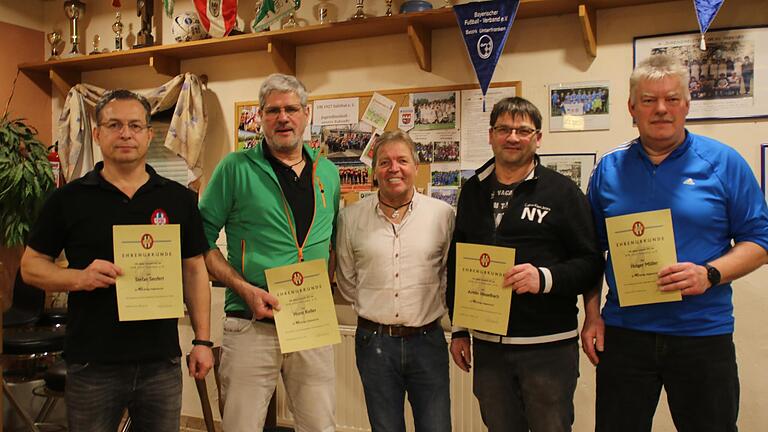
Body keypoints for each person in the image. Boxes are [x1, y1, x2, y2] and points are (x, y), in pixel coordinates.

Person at [583, 54, 768, 432]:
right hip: (626, 334)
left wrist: (710, 273)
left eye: (671, 99)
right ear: (632, 108)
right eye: (649, 100)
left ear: (687, 104)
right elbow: (590, 250)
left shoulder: (724, 163)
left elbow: (760, 241)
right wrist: (592, 315)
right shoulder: (609, 168)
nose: (661, 109)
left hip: (702, 333)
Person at [20, 89, 214, 431]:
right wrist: (78, 278)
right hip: (92, 364)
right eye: (114, 124)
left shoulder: (179, 198)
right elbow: (30, 266)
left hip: (160, 363)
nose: (126, 133)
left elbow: (195, 269)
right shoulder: (68, 199)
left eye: (135, 125)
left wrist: (201, 340)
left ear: (149, 134)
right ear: (97, 134)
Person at [447, 96, 603, 432]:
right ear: (491, 135)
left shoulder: (562, 192)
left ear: (538, 138)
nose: (512, 137)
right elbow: (458, 259)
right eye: (504, 129)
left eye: (522, 130)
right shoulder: (473, 190)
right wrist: (459, 329)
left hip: (547, 348)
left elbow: (590, 262)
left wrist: (544, 278)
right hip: (489, 348)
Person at [198, 73, 341, 432]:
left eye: (291, 109)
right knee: (241, 426)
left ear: (306, 114)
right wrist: (243, 288)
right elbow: (201, 238)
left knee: (319, 426)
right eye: (273, 110)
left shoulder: (328, 173)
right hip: (250, 324)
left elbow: (332, 242)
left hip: (310, 325)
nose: (283, 118)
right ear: (259, 116)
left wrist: (324, 289)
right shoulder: (235, 168)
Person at [335, 130, 454, 432]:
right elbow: (348, 280)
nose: (394, 168)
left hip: (428, 341)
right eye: (385, 162)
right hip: (374, 343)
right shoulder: (351, 218)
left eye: (402, 160)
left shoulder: (442, 215)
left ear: (416, 166)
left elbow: (449, 276)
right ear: (375, 171)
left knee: (436, 427)